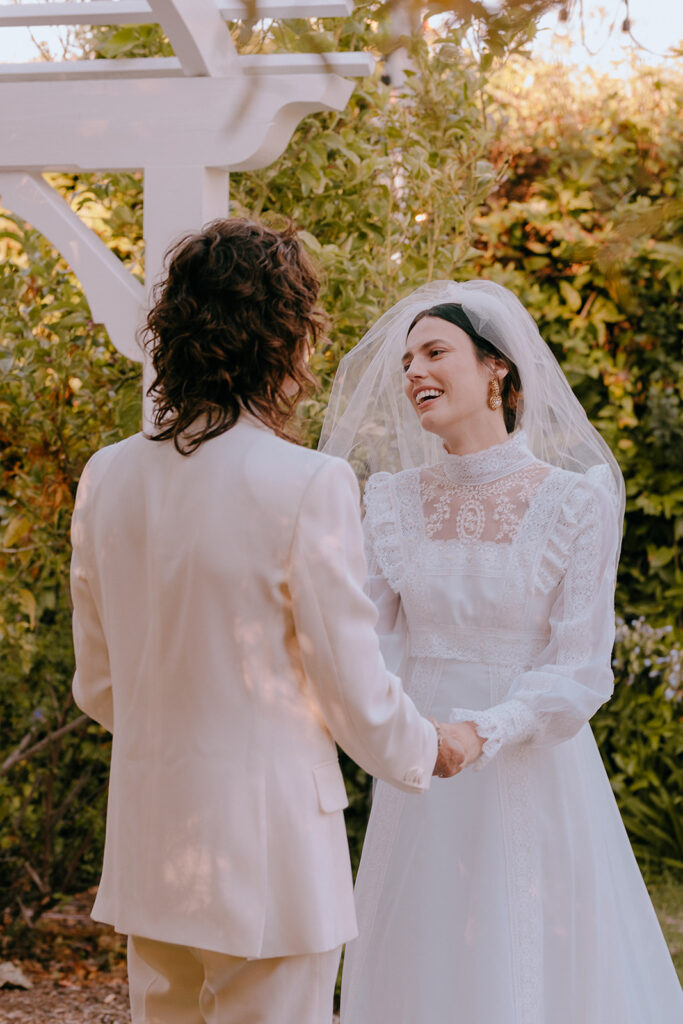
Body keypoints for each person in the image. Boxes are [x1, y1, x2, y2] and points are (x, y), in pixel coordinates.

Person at [69, 220, 467, 1024]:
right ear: (284, 340)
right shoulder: (308, 482)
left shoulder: (106, 476)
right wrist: (431, 745)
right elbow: (349, 686)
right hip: (272, 858)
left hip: (152, 850)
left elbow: (100, 686)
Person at [319, 279, 683, 1024]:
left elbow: (580, 668)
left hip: (532, 766)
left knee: (530, 960)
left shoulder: (575, 500)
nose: (415, 371)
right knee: (422, 955)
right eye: (407, 361)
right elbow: (362, 641)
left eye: (434, 352)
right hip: (421, 776)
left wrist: (482, 731)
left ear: (497, 369)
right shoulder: (387, 500)